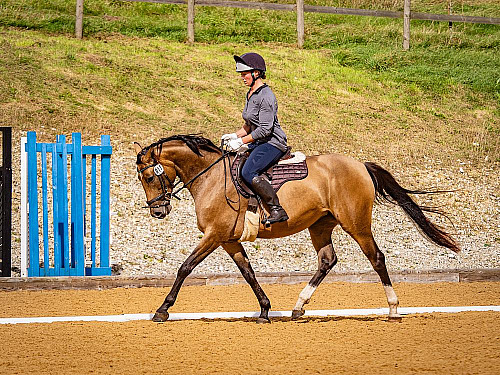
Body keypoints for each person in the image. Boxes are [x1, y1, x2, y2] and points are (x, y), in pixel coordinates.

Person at [222, 52, 289, 224]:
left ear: (256, 73)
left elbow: (265, 129)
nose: (242, 77)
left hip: (272, 142)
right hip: (259, 140)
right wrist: (234, 136)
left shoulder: (266, 96)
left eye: (245, 74)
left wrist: (241, 142)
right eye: (241, 74)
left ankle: (276, 209)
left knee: (248, 171)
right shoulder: (251, 93)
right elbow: (249, 125)